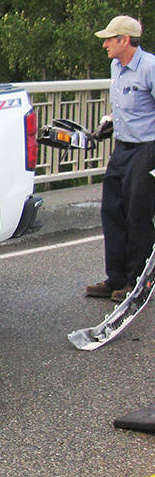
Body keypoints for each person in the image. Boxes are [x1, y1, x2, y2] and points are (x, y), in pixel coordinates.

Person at [85, 16, 155, 301]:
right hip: (122, 147)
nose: (104, 44)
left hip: (147, 149)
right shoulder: (116, 65)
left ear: (125, 40)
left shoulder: (150, 68)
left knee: (137, 213)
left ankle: (139, 282)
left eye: (109, 39)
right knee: (112, 209)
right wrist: (109, 123)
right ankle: (116, 278)